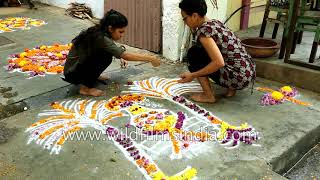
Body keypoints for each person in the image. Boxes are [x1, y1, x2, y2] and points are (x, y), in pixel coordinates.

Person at [63, 9, 161, 97]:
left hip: (74, 69)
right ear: (110, 28)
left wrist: (120, 56)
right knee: (105, 57)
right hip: (73, 74)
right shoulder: (101, 38)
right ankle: (85, 88)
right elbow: (125, 55)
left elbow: (113, 48)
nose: (122, 35)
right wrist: (151, 58)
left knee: (106, 54)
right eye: (120, 32)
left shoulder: (100, 31)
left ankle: (92, 77)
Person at [177, 0, 256, 103]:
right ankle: (231, 89)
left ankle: (208, 96)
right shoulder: (215, 23)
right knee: (214, 51)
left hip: (238, 78)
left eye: (185, 18)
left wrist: (193, 75)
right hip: (247, 72)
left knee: (194, 54)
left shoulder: (204, 33)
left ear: (195, 16)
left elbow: (219, 62)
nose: (184, 22)